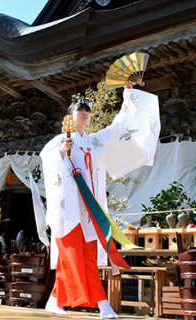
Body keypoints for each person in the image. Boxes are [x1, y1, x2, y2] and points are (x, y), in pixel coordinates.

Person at [40, 82, 160, 319]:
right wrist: (62, 153)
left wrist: (128, 95)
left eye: (87, 110)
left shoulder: (95, 141)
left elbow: (119, 128)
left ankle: (54, 300)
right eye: (79, 109)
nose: (84, 112)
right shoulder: (60, 141)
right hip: (70, 210)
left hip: (90, 208)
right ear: (70, 115)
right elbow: (48, 160)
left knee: (83, 256)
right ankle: (102, 303)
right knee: (74, 256)